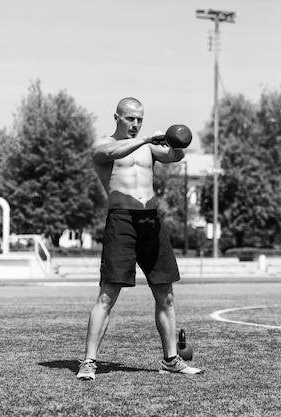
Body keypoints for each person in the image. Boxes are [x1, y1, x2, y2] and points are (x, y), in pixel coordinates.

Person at [76, 97, 203, 381]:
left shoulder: (148, 149)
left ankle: (171, 360)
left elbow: (174, 156)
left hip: (151, 222)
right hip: (122, 221)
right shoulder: (102, 145)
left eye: (140, 120)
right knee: (107, 295)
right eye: (130, 119)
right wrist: (146, 138)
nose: (135, 124)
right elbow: (111, 151)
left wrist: (176, 141)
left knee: (166, 295)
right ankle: (88, 362)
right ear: (117, 117)